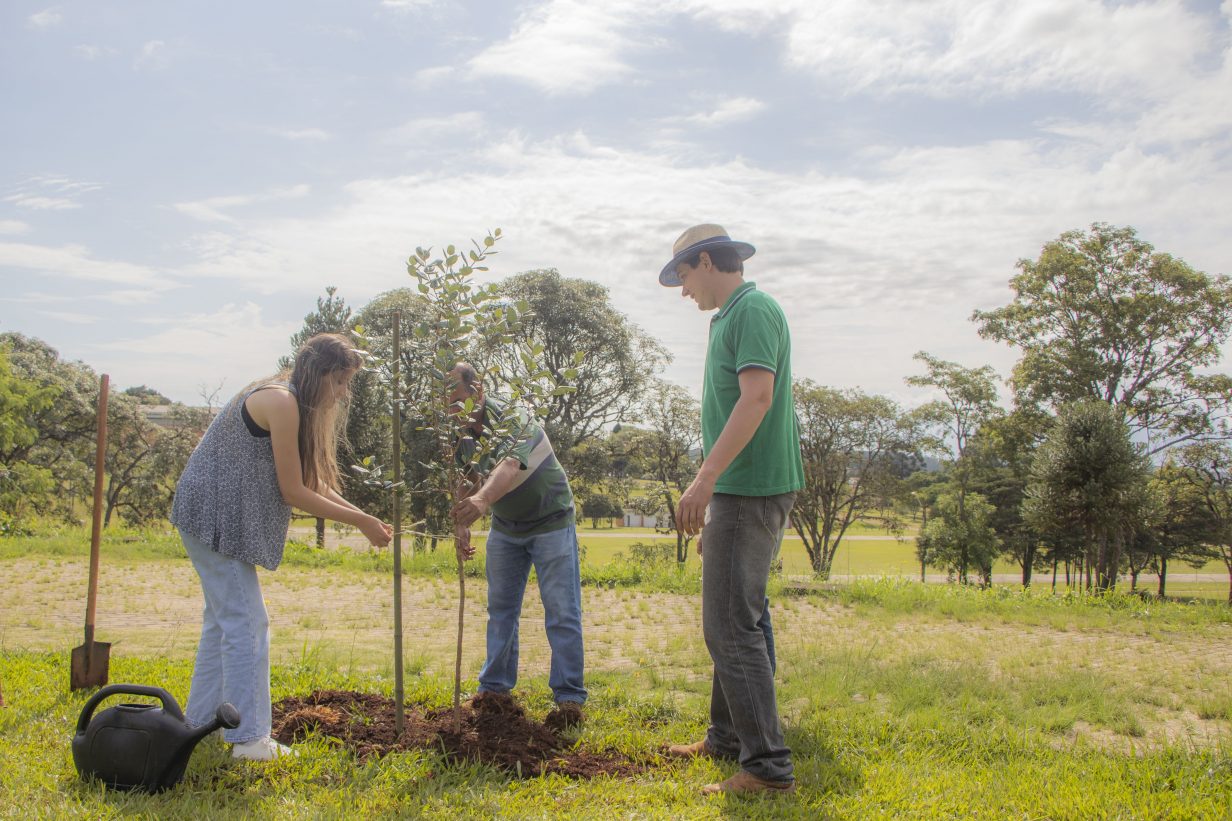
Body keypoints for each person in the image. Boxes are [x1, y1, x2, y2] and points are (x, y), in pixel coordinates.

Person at [170, 333, 392, 761]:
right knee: (248, 623)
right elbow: (294, 491)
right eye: (342, 382)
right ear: (323, 374)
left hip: (209, 515)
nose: (343, 393)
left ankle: (199, 725)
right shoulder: (282, 402)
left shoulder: (286, 399)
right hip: (216, 517)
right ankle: (249, 740)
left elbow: (312, 479)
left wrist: (363, 516)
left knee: (223, 623)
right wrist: (361, 522)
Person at [659, 224, 804, 795]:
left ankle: (767, 767)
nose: (682, 289)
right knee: (743, 616)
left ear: (707, 260)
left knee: (729, 626)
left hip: (750, 488)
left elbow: (758, 397)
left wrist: (705, 480)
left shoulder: (752, 309)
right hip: (738, 493)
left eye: (684, 275)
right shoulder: (731, 316)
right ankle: (726, 738)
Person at [447, 363, 586, 727]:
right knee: (501, 611)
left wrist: (481, 502)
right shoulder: (460, 433)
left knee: (562, 612)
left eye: (456, 399)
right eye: (445, 403)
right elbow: (467, 477)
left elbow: (509, 465)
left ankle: (569, 699)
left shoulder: (512, 416)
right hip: (507, 527)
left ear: (477, 392)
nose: (452, 410)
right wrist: (463, 520)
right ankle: (494, 691)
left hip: (551, 520)